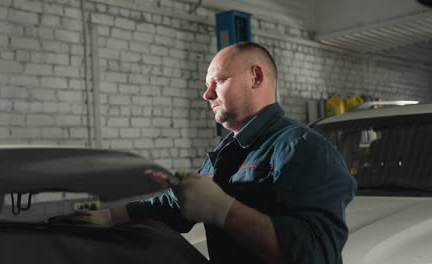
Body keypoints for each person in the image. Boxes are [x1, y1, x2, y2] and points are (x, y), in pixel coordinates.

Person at [50, 41, 356, 264]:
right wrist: (109, 216)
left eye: (218, 81)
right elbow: (180, 202)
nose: (206, 94)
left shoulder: (301, 147)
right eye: (206, 85)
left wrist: (224, 210)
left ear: (256, 77)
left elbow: (318, 254)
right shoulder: (228, 150)